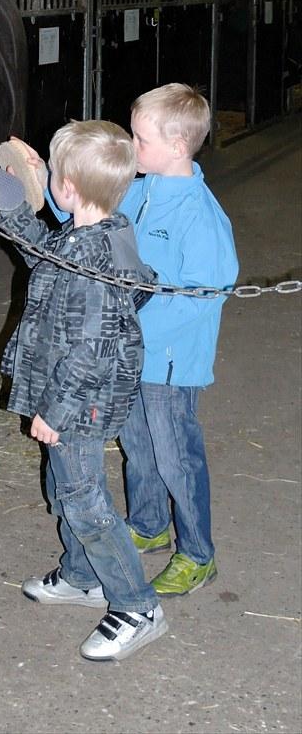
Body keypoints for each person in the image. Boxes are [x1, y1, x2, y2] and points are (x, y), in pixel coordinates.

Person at [0, 121, 166, 663]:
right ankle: (83, 577)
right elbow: (46, 256)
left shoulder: (92, 260)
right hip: (76, 393)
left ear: (68, 187)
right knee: (65, 487)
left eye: (53, 173)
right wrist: (14, 210)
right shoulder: (94, 232)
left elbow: (90, 352)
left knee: (85, 503)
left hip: (80, 401)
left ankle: (137, 605)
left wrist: (55, 412)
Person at [114, 84, 238, 596]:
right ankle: (149, 525)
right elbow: (92, 211)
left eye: (140, 140)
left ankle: (198, 554)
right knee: (136, 444)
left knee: (175, 456)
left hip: (169, 361)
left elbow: (208, 293)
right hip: (133, 351)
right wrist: (49, 187)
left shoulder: (199, 214)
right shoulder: (140, 189)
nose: (132, 147)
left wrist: (140, 325)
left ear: (178, 146)